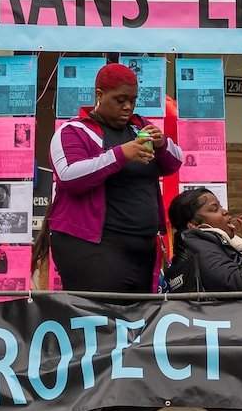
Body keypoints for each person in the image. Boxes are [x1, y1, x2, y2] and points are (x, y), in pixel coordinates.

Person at [39, 63, 184, 292]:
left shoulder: (140, 127)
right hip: (91, 246)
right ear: (100, 95)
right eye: (120, 99)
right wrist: (121, 155)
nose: (128, 106)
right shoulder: (73, 131)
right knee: (101, 319)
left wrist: (162, 144)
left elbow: (175, 162)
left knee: (137, 320)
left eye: (133, 100)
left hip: (142, 247)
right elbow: (68, 175)